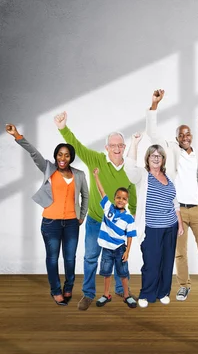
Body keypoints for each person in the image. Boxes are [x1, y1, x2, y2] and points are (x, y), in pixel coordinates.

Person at [145, 90, 198, 304]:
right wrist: (154, 105)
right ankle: (183, 286)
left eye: (187, 134)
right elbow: (153, 134)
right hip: (177, 210)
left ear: (191, 136)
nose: (185, 137)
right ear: (176, 138)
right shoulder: (171, 150)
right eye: (181, 135)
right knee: (179, 252)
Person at [54, 111, 137, 311]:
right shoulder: (96, 160)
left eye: (120, 145)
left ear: (124, 148)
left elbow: (133, 194)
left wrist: (133, 216)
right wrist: (63, 128)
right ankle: (88, 294)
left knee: (120, 258)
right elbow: (78, 146)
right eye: (113, 145)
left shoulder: (131, 169)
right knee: (91, 257)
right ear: (106, 147)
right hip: (95, 221)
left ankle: (120, 289)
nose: (117, 149)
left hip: (118, 225)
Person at [6, 124, 88, 305]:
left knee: (70, 258)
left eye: (66, 155)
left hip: (72, 224)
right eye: (60, 154)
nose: (63, 158)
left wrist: (81, 215)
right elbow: (34, 153)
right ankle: (55, 290)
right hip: (51, 222)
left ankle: (68, 288)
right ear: (56, 156)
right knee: (52, 258)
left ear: (71, 157)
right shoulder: (48, 169)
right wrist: (18, 135)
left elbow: (85, 196)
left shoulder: (80, 175)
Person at [125, 135, 184, 308]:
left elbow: (175, 202)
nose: (156, 158)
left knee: (167, 262)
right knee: (151, 263)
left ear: (163, 159)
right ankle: (147, 294)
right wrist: (134, 143)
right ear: (148, 159)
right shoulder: (142, 176)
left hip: (170, 227)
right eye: (153, 155)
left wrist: (179, 223)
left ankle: (163, 292)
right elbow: (129, 168)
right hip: (152, 228)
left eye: (159, 155)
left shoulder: (169, 177)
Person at [92, 168, 137, 309]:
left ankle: (126, 295)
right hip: (107, 249)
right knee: (106, 273)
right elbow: (101, 192)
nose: (120, 200)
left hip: (120, 249)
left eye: (124, 199)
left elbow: (130, 236)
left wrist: (127, 251)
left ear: (127, 201)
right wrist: (96, 177)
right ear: (114, 198)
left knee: (123, 274)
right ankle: (106, 294)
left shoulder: (129, 218)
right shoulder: (108, 208)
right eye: (118, 197)